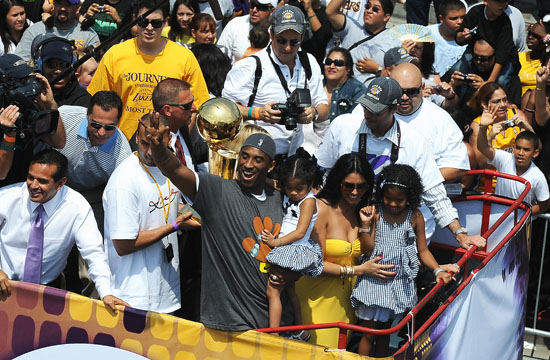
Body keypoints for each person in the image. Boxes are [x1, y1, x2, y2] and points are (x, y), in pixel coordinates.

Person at [139, 125, 284, 330]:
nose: (248, 164)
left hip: (274, 324)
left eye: (258, 160)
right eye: (244, 156)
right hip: (228, 326)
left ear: (271, 166)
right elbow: (176, 170)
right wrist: (160, 149)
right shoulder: (217, 192)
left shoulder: (280, 198)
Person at [316, 76, 486, 250]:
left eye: (376, 110)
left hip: (387, 231)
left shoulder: (415, 141)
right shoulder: (342, 126)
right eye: (366, 107)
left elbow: (434, 193)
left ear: (394, 109)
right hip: (340, 225)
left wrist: (460, 234)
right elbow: (323, 175)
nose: (368, 114)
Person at [0, 149, 129, 313]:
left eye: (42, 181)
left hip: (47, 292)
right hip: (3, 285)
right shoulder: (7, 197)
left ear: (61, 183)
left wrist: (106, 293)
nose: (33, 185)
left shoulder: (77, 207)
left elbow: (93, 253)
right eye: (30, 177)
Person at [294, 153, 396, 348]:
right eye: (348, 185)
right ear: (337, 182)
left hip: (346, 301)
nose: (355, 192)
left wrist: (366, 226)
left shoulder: (365, 211)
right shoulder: (320, 208)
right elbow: (315, 264)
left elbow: (367, 252)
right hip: (315, 297)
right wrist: (358, 271)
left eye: (361, 186)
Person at [351, 164, 453, 357]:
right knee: (368, 334)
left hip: (398, 284)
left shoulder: (415, 216)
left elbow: (422, 251)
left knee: (384, 335)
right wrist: (365, 225)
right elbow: (367, 249)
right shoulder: (375, 213)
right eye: (388, 198)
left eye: (399, 200)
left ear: (410, 197)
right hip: (375, 280)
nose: (393, 203)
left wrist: (438, 270)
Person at [102, 113, 193, 313]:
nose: (150, 151)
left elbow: (168, 206)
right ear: (136, 138)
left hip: (166, 289)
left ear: (169, 139)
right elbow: (123, 244)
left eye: (157, 143)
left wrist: (191, 215)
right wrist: (175, 225)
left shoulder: (171, 168)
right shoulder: (123, 182)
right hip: (133, 296)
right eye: (145, 143)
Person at [87, 0, 210, 141]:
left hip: (167, 145)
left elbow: (195, 108)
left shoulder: (185, 57)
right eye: (143, 22)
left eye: (156, 23)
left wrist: (176, 144)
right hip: (121, 143)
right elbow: (98, 101)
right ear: (135, 20)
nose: (149, 28)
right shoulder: (115, 54)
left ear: (166, 22)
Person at [222, 4, 328, 157]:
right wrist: (257, 113)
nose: (287, 48)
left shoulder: (309, 61)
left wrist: (313, 112)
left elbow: (323, 107)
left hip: (295, 155)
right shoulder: (250, 66)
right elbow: (225, 110)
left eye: (294, 42)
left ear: (302, 37)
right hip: (258, 157)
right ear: (271, 34)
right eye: (281, 40)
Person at [260, 151, 323, 340]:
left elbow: (300, 232)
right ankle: (300, 329)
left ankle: (273, 334)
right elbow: (271, 182)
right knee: (289, 290)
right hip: (287, 246)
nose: (293, 193)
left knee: (272, 291)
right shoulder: (290, 190)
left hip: (293, 247)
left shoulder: (309, 201)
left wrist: (274, 242)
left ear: (311, 185)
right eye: (289, 188)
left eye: (299, 189)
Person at [391, 63, 469, 185]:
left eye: (412, 92)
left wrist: (413, 183)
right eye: (399, 91)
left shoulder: (440, 118)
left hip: (423, 197)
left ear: (422, 87)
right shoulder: (371, 111)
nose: (405, 97)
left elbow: (458, 167)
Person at [0, 54, 66, 187]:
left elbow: (58, 142)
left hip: (25, 190)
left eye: (27, 79)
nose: (27, 85)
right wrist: (10, 133)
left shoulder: (28, 108)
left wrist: (50, 105)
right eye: (20, 81)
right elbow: (1, 173)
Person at [477, 113, 549, 215]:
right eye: (518, 148)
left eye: (526, 150)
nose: (520, 153)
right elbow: (482, 147)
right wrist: (483, 127)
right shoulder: (504, 159)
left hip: (521, 227)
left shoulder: (538, 176)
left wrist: (521, 214)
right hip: (497, 219)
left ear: (535, 153)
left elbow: (544, 205)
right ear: (513, 148)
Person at [454, 0, 520, 95]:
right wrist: (463, 36)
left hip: (503, 58)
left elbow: (502, 56)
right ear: (485, 1)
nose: (503, 5)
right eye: (499, 2)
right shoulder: (475, 12)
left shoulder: (505, 23)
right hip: (476, 52)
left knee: (501, 81)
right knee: (458, 70)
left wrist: (489, 82)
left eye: (505, 2)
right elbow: (458, 38)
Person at [468, 82, 533, 171]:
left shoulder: (516, 114)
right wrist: (489, 138)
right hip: (492, 181)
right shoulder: (477, 125)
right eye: (497, 101)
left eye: (505, 100)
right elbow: (481, 164)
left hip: (518, 176)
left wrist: (528, 128)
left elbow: (536, 149)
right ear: (484, 104)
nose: (503, 105)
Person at [14, 0, 99, 60]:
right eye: (59, 3)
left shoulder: (89, 34)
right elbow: (19, 60)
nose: (63, 8)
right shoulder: (34, 31)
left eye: (68, 5)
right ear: (54, 4)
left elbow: (96, 64)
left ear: (77, 7)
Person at [450, 39, 522, 107]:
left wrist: (487, 89)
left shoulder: (509, 79)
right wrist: (453, 86)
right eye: (475, 57)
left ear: (496, 57)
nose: (478, 61)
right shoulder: (467, 70)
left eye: (484, 59)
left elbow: (514, 108)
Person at [33, 36, 91, 107]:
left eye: (64, 65)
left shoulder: (84, 101)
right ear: (40, 66)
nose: (58, 71)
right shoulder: (32, 96)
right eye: (51, 65)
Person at [324, 47, 367, 122]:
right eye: (328, 62)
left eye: (338, 63)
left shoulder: (358, 90)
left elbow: (357, 121)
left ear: (348, 69)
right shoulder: (314, 84)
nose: (332, 66)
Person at [427, 0, 466, 79]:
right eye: (454, 18)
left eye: (463, 17)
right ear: (441, 18)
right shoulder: (427, 35)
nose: (460, 22)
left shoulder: (470, 38)